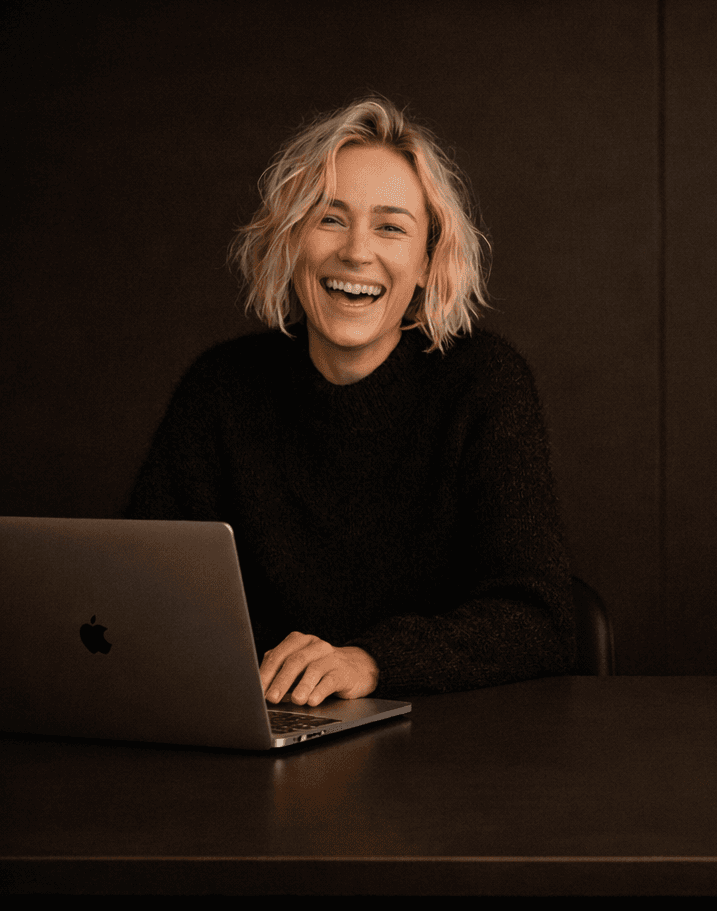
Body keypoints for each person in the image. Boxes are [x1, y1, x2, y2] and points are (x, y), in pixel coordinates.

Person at [127, 98, 575, 705]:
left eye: (391, 226)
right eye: (330, 219)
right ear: (291, 241)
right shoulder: (221, 388)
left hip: (444, 753)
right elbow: (139, 594)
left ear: (426, 263)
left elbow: (538, 621)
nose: (357, 252)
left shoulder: (484, 384)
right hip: (260, 731)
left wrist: (371, 663)